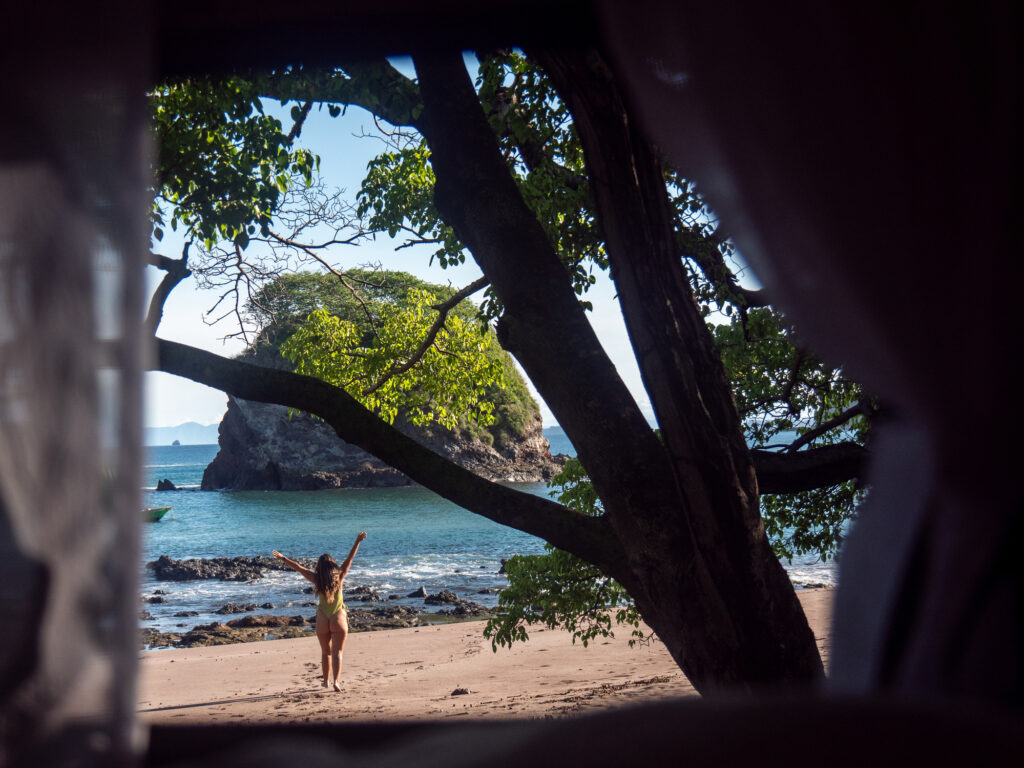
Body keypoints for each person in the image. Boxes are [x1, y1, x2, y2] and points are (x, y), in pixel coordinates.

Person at [272, 532, 367, 692]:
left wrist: (283, 558)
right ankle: (336, 681)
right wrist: (357, 541)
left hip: (323, 618)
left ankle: (325, 682)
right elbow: (350, 559)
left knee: (326, 652)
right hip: (338, 617)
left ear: (320, 567)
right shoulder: (340, 576)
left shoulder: (317, 579)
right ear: (333, 565)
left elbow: (299, 568)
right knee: (338, 652)